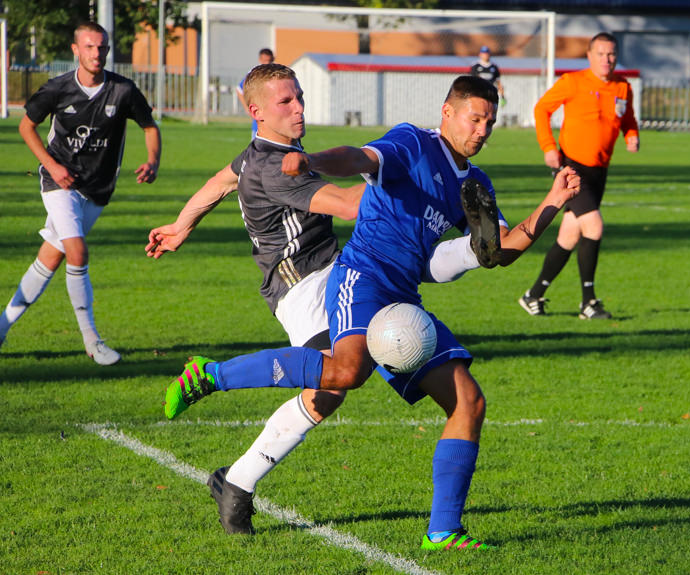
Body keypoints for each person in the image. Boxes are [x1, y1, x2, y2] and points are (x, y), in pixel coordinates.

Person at [164, 75, 579, 549]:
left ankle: (443, 532)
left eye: (491, 121)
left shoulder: (475, 184)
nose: (483, 129)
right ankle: (214, 375)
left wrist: (552, 202)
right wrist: (316, 160)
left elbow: (502, 249)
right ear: (448, 112)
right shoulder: (412, 143)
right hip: (361, 277)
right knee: (343, 375)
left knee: (468, 402)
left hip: (404, 299)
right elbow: (359, 158)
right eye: (475, 118)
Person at [0, 22, 161, 364]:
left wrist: (152, 161)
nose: (96, 53)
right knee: (77, 251)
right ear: (76, 50)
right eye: (89, 47)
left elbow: (149, 126)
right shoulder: (57, 89)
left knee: (51, 257)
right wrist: (52, 165)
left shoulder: (123, 91)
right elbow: (26, 126)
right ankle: (92, 341)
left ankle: (1, 328)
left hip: (97, 190)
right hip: (59, 182)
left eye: (101, 47)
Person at [519, 32, 639, 319]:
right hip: (572, 166)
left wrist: (632, 135)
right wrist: (549, 147)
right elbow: (541, 109)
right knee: (594, 227)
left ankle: (533, 295)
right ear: (589, 55)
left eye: (611, 54)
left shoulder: (623, 87)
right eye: (600, 53)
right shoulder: (573, 82)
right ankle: (589, 302)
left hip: (599, 172)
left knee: (570, 235)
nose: (606, 59)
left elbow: (628, 118)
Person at [237, 48, 275, 138]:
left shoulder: (277, 73)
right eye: (264, 61)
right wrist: (247, 108)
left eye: (269, 61)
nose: (266, 63)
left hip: (273, 116)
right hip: (259, 117)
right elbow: (239, 89)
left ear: (272, 59)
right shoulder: (254, 73)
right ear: (260, 60)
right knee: (257, 147)